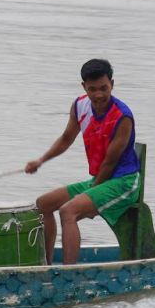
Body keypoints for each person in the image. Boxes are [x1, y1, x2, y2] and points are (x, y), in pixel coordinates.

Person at [25, 58, 140, 264]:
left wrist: (91, 192)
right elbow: (66, 139)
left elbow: (109, 163)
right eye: (92, 89)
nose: (99, 95)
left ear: (112, 84)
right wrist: (40, 160)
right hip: (100, 179)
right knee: (43, 204)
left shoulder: (122, 117)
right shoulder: (80, 106)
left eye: (104, 88)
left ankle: (69, 274)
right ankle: (46, 266)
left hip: (124, 182)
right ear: (84, 87)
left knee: (68, 210)